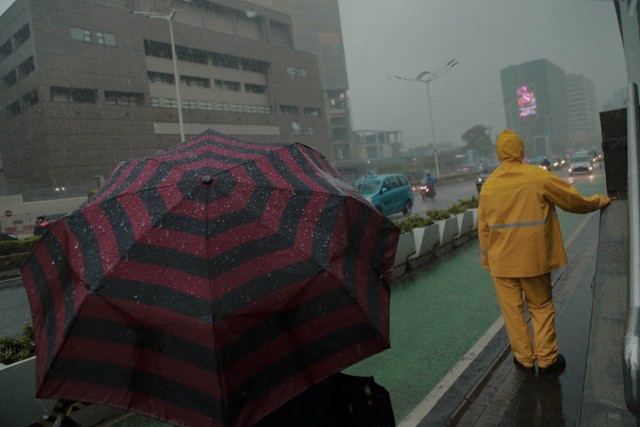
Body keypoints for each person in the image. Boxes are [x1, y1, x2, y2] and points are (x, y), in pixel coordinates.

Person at [477, 129, 611, 375]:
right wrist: (596, 202)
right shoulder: (536, 176)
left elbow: (483, 229)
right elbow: (571, 200)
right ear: (521, 150)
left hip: (501, 263)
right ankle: (548, 360)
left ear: (498, 154)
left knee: (513, 313)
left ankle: (524, 360)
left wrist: (488, 262)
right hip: (533, 259)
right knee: (540, 307)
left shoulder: (489, 186)